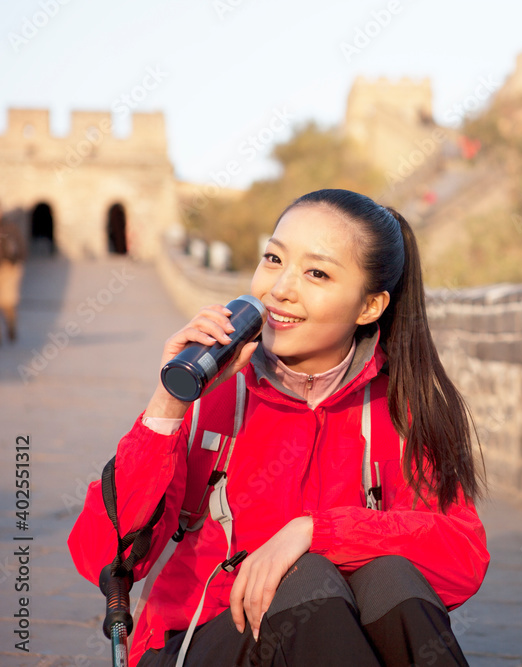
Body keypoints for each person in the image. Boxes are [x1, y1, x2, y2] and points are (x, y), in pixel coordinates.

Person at [68, 189, 489, 665]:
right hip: (201, 642)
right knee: (308, 580)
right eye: (273, 258)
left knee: (389, 576)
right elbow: (105, 557)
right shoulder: (212, 396)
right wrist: (168, 404)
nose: (279, 288)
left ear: (370, 306)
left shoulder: (399, 408)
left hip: (335, 637)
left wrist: (316, 531)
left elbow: (463, 555)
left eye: (316, 273)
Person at [0, 208, 27, 344]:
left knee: (8, 301)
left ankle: (11, 327)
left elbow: (21, 247)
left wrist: (17, 263)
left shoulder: (10, 228)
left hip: (8, 268)